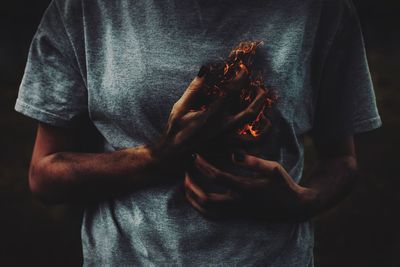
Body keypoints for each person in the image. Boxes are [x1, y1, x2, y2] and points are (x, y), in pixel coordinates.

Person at [15, 0, 382, 265]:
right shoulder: (83, 11)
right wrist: (156, 159)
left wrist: (302, 201)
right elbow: (45, 175)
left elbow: (343, 159)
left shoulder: (321, 12)